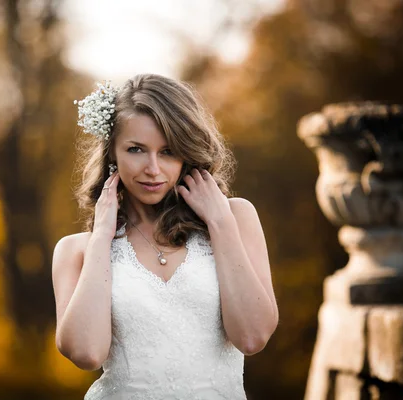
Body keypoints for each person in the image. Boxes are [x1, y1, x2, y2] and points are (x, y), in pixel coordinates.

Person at [51, 73, 278, 399]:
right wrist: (102, 235)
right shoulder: (76, 250)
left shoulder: (236, 219)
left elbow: (252, 338)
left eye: (168, 151)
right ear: (112, 153)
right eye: (136, 149)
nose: (153, 169)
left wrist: (219, 222)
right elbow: (86, 353)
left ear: (187, 154)